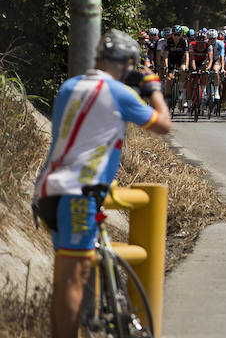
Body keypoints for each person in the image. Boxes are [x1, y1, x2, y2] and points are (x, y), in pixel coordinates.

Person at [33, 30, 170, 338]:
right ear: (128, 64)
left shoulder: (69, 87)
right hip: (80, 194)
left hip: (48, 191)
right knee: (73, 279)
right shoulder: (120, 94)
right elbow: (163, 124)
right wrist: (154, 88)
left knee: (65, 278)